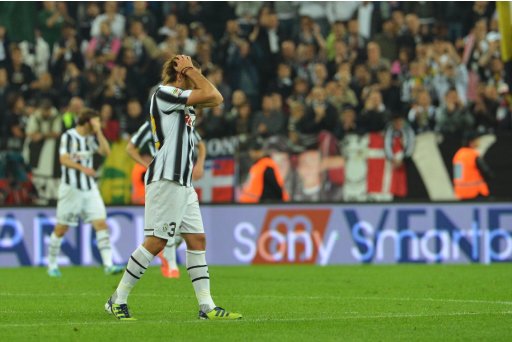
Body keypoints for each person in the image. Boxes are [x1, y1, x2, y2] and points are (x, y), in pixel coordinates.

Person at [105, 55, 242, 321]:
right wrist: (190, 70)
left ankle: (207, 306)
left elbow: (214, 98)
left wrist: (193, 73)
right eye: (191, 75)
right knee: (156, 242)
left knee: (196, 239)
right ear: (180, 75)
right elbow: (214, 95)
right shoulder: (165, 93)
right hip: (167, 178)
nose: (195, 79)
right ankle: (117, 299)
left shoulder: (183, 102)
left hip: (183, 181)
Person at [47, 109, 124, 277]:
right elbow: (64, 159)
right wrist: (83, 168)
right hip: (70, 189)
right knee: (61, 228)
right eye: (96, 122)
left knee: (101, 223)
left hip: (89, 188)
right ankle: (52, 264)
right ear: (88, 121)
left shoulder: (91, 138)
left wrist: (99, 132)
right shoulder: (68, 136)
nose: (99, 124)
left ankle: (108, 265)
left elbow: (106, 152)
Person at [126, 120, 206, 278]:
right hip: (163, 181)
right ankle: (171, 265)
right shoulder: (150, 126)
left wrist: (199, 165)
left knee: (191, 234)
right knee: (164, 232)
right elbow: (130, 148)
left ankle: (205, 299)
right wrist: (146, 165)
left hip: (184, 182)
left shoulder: (184, 122)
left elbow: (200, 144)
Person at [239, 137, 289, 203]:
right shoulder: (258, 165)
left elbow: (274, 186)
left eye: (255, 151)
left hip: (263, 204)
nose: (252, 154)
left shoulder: (266, 165)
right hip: (252, 204)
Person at [453, 131, 493, 201]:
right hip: (476, 193)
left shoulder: (458, 155)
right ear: (471, 142)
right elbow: (486, 172)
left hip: (461, 194)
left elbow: (458, 175)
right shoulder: (473, 155)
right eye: (477, 140)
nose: (478, 142)